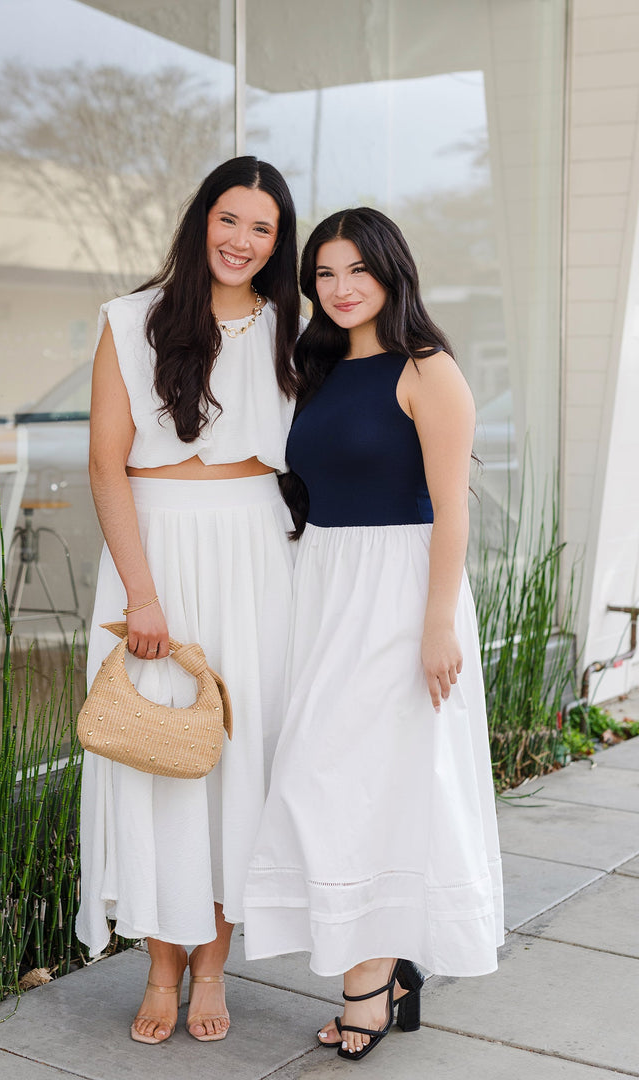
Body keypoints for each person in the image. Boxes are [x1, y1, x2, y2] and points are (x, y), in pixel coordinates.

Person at [242, 208, 504, 1062]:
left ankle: (371, 983)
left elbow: (452, 509)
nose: (341, 287)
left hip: (403, 593)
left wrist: (436, 624)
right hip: (325, 586)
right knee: (323, 778)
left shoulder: (429, 370)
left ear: (392, 271)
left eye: (357, 269)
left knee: (384, 785)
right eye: (323, 273)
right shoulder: (312, 371)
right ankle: (384, 971)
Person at [76, 156, 300, 1046]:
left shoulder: (292, 328)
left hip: (255, 555)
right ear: (200, 220)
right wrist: (142, 595)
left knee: (235, 760)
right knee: (156, 756)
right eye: (229, 219)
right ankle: (160, 967)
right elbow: (105, 464)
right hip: (156, 549)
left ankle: (213, 965)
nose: (241, 241)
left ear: (277, 243)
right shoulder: (130, 320)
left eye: (263, 228)